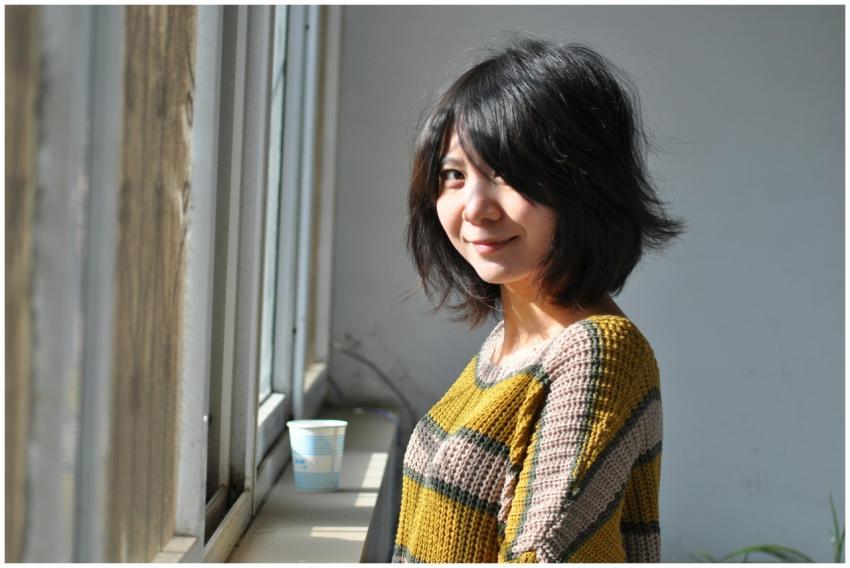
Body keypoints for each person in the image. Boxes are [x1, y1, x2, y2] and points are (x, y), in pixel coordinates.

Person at [392, 37, 684, 563]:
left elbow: (543, 552)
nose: (475, 207)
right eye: (454, 175)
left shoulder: (598, 353)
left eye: (506, 174)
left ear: (582, 185)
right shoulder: (508, 344)